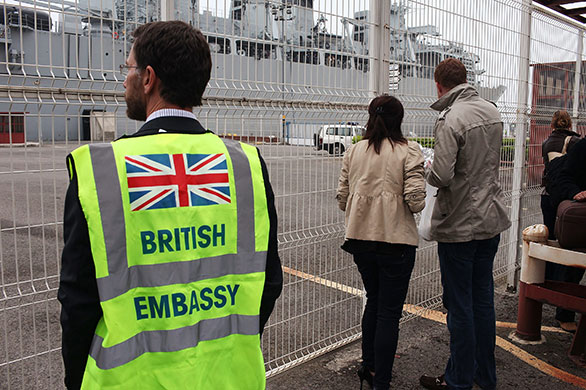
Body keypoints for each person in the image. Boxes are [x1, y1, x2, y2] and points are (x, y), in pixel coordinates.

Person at [57, 21, 282, 390]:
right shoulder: (244, 164)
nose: (124, 79)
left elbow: (78, 301)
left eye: (128, 68)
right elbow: (269, 280)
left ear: (148, 78)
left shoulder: (102, 170)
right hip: (228, 376)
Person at [419, 58, 511, 390]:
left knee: (459, 307)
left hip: (460, 224)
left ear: (439, 84)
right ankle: (484, 376)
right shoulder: (492, 111)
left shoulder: (450, 118)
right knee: (482, 301)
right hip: (490, 219)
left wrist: (425, 169)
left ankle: (457, 380)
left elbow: (442, 175)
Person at [336, 95, 426, 390]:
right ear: (398, 120)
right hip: (395, 241)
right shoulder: (408, 151)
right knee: (389, 312)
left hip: (360, 238)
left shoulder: (354, 150)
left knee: (373, 301)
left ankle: (368, 366)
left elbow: (342, 198)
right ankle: (381, 381)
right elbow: (415, 202)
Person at [540, 110, 582, 333]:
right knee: (571, 252)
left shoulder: (546, 142)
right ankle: (563, 306)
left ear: (553, 124)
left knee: (551, 242)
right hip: (567, 200)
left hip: (548, 197)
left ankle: (546, 283)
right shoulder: (576, 142)